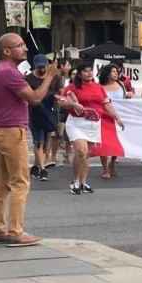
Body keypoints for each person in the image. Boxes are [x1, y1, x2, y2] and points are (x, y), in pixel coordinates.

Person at [0, 33, 55, 247]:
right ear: (7, 51)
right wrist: (50, 77)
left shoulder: (3, 71)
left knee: (2, 183)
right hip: (12, 131)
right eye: (20, 46)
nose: (25, 49)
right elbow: (35, 98)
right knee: (20, 182)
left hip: (2, 130)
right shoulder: (9, 72)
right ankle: (15, 231)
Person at [59, 65, 120, 196]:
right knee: (81, 151)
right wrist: (73, 104)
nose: (88, 73)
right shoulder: (71, 87)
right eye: (85, 71)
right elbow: (61, 102)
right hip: (76, 123)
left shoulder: (98, 88)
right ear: (80, 74)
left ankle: (83, 182)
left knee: (85, 155)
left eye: (90, 70)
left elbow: (106, 104)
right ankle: (75, 182)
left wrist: (117, 118)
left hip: (93, 124)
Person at [24, 56, 59, 182]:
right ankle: (42, 168)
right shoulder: (28, 79)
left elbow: (58, 92)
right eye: (39, 67)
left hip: (49, 112)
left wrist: (58, 98)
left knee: (46, 141)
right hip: (35, 112)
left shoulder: (54, 77)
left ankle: (36, 165)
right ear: (34, 66)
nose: (41, 69)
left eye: (43, 66)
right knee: (38, 141)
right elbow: (28, 96)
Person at [98, 64, 126, 180]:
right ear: (107, 73)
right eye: (113, 71)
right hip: (104, 117)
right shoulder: (100, 87)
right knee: (103, 143)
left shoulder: (121, 85)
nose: (116, 73)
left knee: (118, 142)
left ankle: (113, 162)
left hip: (118, 117)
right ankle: (105, 168)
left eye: (116, 72)